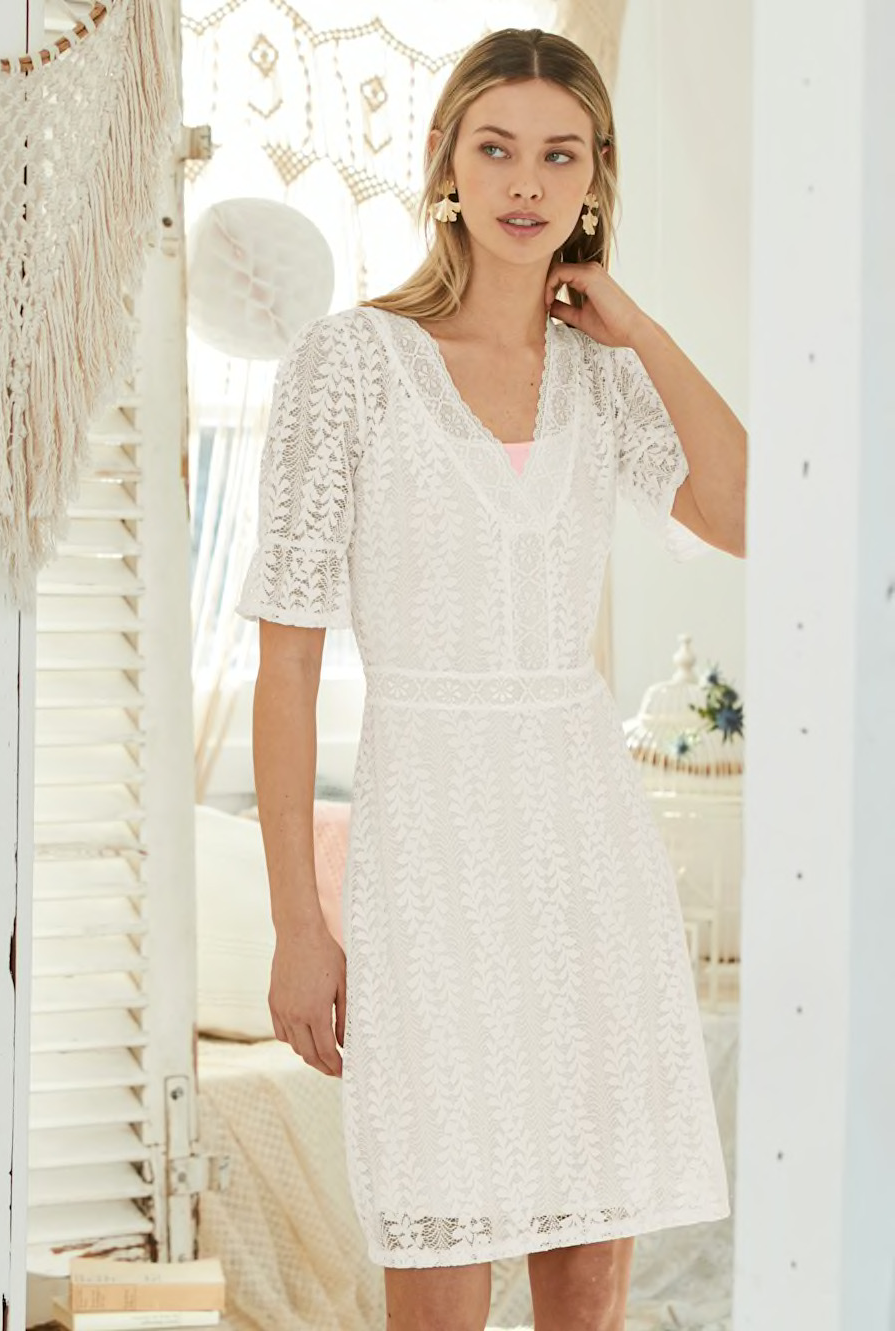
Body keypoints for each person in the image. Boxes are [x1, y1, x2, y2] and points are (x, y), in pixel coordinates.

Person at [235, 26, 746, 1331]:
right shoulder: (350, 365)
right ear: (445, 164)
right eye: (498, 148)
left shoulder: (603, 378)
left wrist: (639, 327)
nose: (527, 182)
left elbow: (754, 512)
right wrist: (299, 922)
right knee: (440, 1261)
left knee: (591, 1281)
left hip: (587, 847)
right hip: (429, 850)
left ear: (596, 176)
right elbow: (286, 663)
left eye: (561, 155)